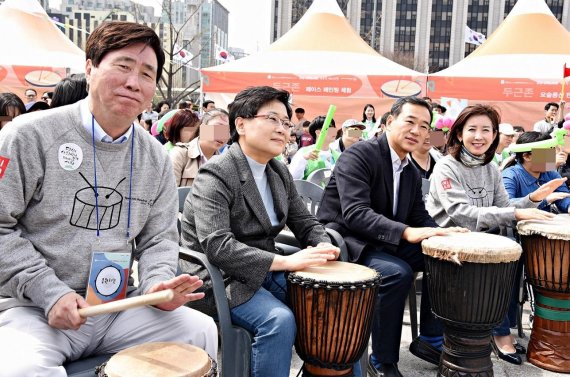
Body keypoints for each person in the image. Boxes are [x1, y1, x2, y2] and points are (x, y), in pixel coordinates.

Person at [0, 21, 217, 376]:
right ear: (90, 68)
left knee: (199, 330)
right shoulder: (28, 135)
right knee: (19, 369)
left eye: (147, 73)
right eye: (123, 66)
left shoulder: (154, 156)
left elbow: (160, 237)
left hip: (115, 305)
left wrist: (157, 285)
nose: (134, 82)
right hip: (34, 308)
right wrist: (48, 292)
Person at [180, 86, 342, 377]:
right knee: (278, 321)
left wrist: (323, 244)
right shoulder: (216, 173)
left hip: (265, 268)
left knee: (332, 301)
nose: (282, 129)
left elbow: (305, 222)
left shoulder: (278, 171)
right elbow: (218, 246)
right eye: (272, 119)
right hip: (218, 278)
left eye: (286, 123)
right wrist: (288, 262)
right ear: (240, 124)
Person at [317, 96, 468, 377]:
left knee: (444, 259)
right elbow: (355, 213)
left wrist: (441, 234)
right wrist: (408, 232)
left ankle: (430, 339)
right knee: (396, 273)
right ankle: (383, 359)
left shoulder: (410, 170)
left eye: (424, 126)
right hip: (350, 241)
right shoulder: (360, 154)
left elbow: (418, 216)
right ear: (388, 123)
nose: (417, 131)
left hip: (385, 240)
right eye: (409, 121)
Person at [426, 104, 562, 366]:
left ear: (494, 135)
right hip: (452, 241)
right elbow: (460, 214)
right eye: (472, 129)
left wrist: (534, 198)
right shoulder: (446, 167)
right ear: (458, 134)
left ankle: (499, 330)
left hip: (486, 239)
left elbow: (504, 206)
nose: (479, 136)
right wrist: (515, 214)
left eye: (486, 130)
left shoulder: (491, 168)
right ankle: (498, 334)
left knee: (513, 249)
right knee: (508, 249)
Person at [502, 132, 570, 213]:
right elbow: (505, 206)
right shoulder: (510, 175)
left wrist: (568, 206)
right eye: (546, 153)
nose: (552, 157)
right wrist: (543, 200)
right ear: (527, 156)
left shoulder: (551, 173)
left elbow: (563, 196)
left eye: (552, 151)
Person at [170, 108, 229, 187]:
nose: (222, 134)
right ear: (203, 127)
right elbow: (169, 194)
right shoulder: (179, 154)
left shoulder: (225, 163)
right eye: (218, 127)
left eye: (227, 131)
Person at [289, 115, 338, 180]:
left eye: (334, 128)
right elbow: (292, 179)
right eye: (329, 128)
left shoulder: (338, 155)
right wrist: (303, 159)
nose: (334, 131)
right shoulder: (303, 153)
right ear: (318, 132)